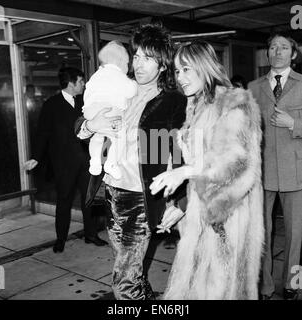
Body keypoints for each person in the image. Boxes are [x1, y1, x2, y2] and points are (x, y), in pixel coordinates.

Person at [75, 23, 187, 300]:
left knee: (123, 281)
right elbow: (80, 119)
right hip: (111, 190)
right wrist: (90, 124)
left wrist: (175, 202)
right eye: (136, 56)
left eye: (148, 58)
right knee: (128, 266)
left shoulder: (170, 101)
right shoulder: (118, 85)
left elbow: (174, 153)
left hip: (141, 196)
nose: (139, 64)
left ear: (162, 65)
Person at [150, 41, 264, 300]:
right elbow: (194, 167)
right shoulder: (194, 105)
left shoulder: (235, 102)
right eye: (177, 71)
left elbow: (238, 165)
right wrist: (179, 205)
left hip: (227, 222)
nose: (180, 77)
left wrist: (184, 172)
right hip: (199, 218)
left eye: (187, 69)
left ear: (204, 66)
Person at [24, 67, 109, 253]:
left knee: (89, 199)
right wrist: (36, 157)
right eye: (80, 81)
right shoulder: (51, 104)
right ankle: (61, 239)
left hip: (86, 161)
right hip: (63, 164)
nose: (83, 84)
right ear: (71, 83)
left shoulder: (85, 101)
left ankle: (91, 234)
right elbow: (43, 134)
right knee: (64, 201)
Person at [249, 33, 302, 300]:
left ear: (293, 54)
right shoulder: (253, 87)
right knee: (262, 233)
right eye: (272, 47)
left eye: (284, 47)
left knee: (296, 235)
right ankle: (265, 287)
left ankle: (292, 285)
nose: (277, 51)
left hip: (297, 173)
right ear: (267, 53)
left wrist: (293, 124)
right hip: (262, 172)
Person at [83, 40, 137, 178]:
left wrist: (88, 110)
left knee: (98, 137)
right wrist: (90, 125)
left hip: (91, 109)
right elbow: (131, 90)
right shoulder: (120, 77)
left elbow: (88, 90)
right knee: (119, 136)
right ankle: (111, 163)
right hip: (111, 112)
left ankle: (94, 160)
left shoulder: (97, 75)